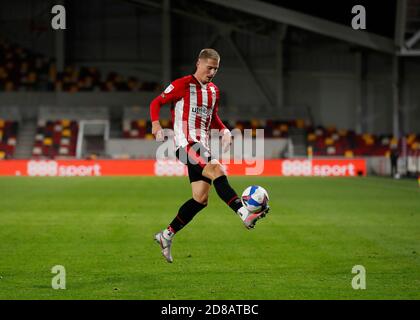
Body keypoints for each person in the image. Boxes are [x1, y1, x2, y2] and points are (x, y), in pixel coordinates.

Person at [149, 48, 269, 263]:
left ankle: (166, 235)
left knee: (200, 199)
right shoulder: (182, 85)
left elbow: (212, 116)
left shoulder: (214, 91)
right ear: (199, 63)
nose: (212, 72)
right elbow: (156, 102)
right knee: (217, 169)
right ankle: (243, 212)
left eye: (216, 68)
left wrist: (223, 129)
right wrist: (156, 123)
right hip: (185, 143)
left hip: (201, 145)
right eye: (209, 67)